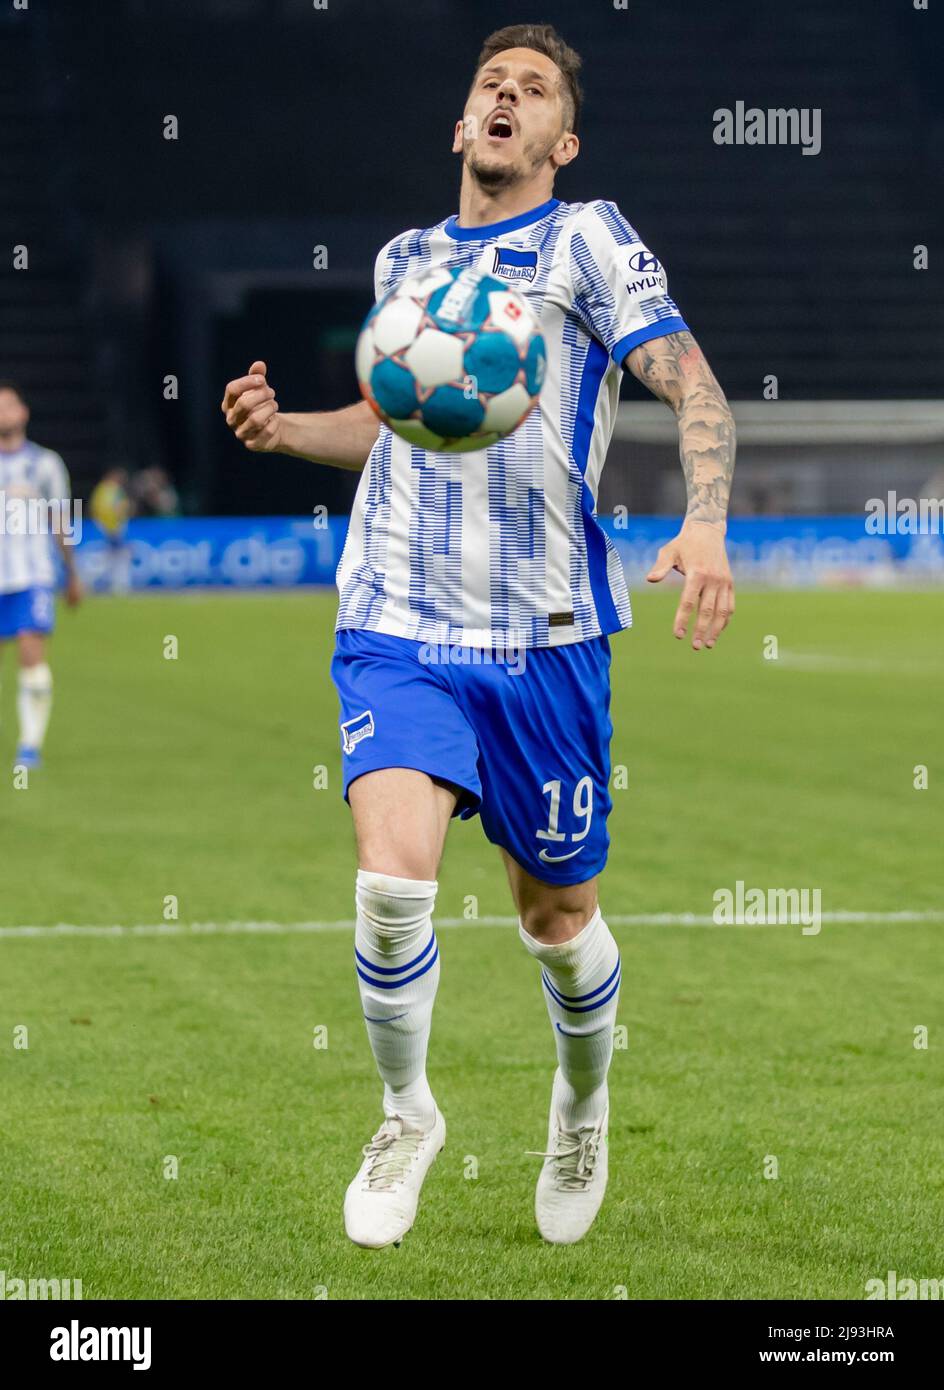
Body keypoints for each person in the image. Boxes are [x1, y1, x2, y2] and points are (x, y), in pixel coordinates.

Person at [221, 23, 736, 1249]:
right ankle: (407, 1114)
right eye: (488, 84)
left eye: (534, 89)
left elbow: (691, 383)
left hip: (544, 639)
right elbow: (395, 416)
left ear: (562, 139)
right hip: (396, 621)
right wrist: (289, 430)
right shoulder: (407, 257)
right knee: (391, 882)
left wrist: (705, 519)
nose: (506, 96)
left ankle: (580, 1102)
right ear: (462, 125)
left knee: (556, 918)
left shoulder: (587, 239)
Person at [0, 380, 81, 769]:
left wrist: (72, 572)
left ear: (23, 413)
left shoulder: (45, 464)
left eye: (9, 405)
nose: (3, 412)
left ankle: (29, 747)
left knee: (31, 659)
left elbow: (61, 520)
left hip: (32, 575)